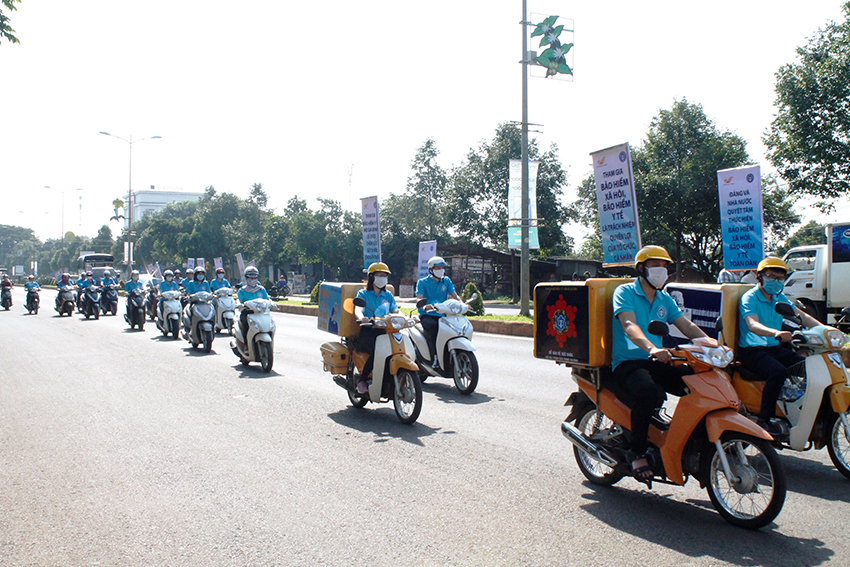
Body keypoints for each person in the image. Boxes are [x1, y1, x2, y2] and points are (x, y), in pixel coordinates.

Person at [612, 245, 716, 481]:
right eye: (655, 265)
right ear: (641, 268)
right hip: (628, 362)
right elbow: (629, 324)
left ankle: (689, 441)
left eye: (665, 266)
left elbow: (685, 325)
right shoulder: (625, 292)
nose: (661, 270)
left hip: (655, 360)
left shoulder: (663, 298)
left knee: (695, 382)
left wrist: (710, 343)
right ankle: (637, 452)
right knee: (647, 391)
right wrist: (652, 347)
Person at [737, 257, 820, 436]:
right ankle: (764, 420)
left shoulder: (779, 297)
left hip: (773, 349)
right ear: (760, 277)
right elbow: (752, 324)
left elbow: (801, 315)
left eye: (780, 278)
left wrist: (825, 329)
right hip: (752, 351)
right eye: (771, 277)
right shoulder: (750, 298)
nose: (776, 281)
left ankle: (799, 409)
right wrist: (776, 333)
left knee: (811, 367)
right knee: (778, 372)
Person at [354, 262, 399, 393]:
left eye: (385, 276)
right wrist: (362, 317)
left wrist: (404, 317)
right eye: (379, 275)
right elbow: (358, 308)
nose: (382, 278)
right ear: (371, 277)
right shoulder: (363, 293)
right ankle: (362, 380)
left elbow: (395, 310)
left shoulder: (388, 295)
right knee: (378, 351)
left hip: (385, 330)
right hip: (368, 330)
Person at [415, 256, 459, 369]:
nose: (441, 270)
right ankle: (435, 357)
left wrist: (462, 304)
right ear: (431, 269)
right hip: (428, 315)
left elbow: (455, 295)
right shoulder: (422, 282)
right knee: (433, 328)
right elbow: (419, 298)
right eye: (438, 268)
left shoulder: (446, 281)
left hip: (443, 315)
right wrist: (424, 306)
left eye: (442, 268)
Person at [236, 266, 270, 343]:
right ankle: (245, 343)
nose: (253, 280)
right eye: (250, 277)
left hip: (261, 313)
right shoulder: (242, 290)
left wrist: (271, 303)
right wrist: (239, 304)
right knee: (244, 323)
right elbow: (238, 299)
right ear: (246, 278)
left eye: (255, 277)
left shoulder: (261, 289)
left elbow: (267, 299)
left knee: (269, 324)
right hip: (247, 312)